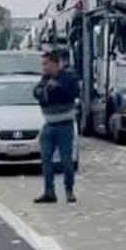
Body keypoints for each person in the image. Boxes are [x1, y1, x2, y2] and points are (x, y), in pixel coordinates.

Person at [33, 50, 80, 204]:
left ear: (55, 63)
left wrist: (56, 89)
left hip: (64, 125)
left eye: (46, 64)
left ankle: (69, 190)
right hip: (49, 124)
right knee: (46, 159)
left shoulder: (68, 77)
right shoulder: (45, 79)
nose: (44, 67)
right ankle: (49, 191)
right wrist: (47, 91)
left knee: (66, 160)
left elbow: (70, 93)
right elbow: (38, 93)